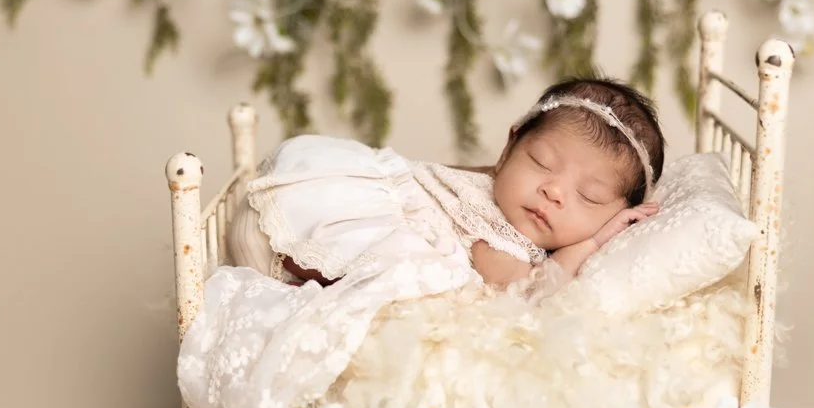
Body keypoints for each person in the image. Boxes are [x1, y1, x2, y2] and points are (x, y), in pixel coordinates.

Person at [227, 76, 668, 289]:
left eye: (588, 196)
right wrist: (589, 244)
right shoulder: (499, 237)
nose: (553, 192)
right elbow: (527, 292)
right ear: (508, 147)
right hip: (291, 225)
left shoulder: (493, 194)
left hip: (292, 198)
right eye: (540, 162)